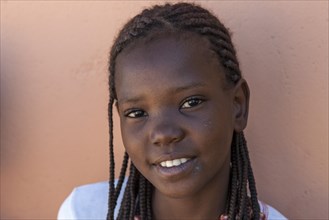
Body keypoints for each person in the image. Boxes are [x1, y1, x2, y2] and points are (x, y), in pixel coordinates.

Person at [58, 3, 287, 220]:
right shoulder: (85, 212)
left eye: (190, 102)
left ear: (238, 105)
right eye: (137, 113)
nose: (163, 134)